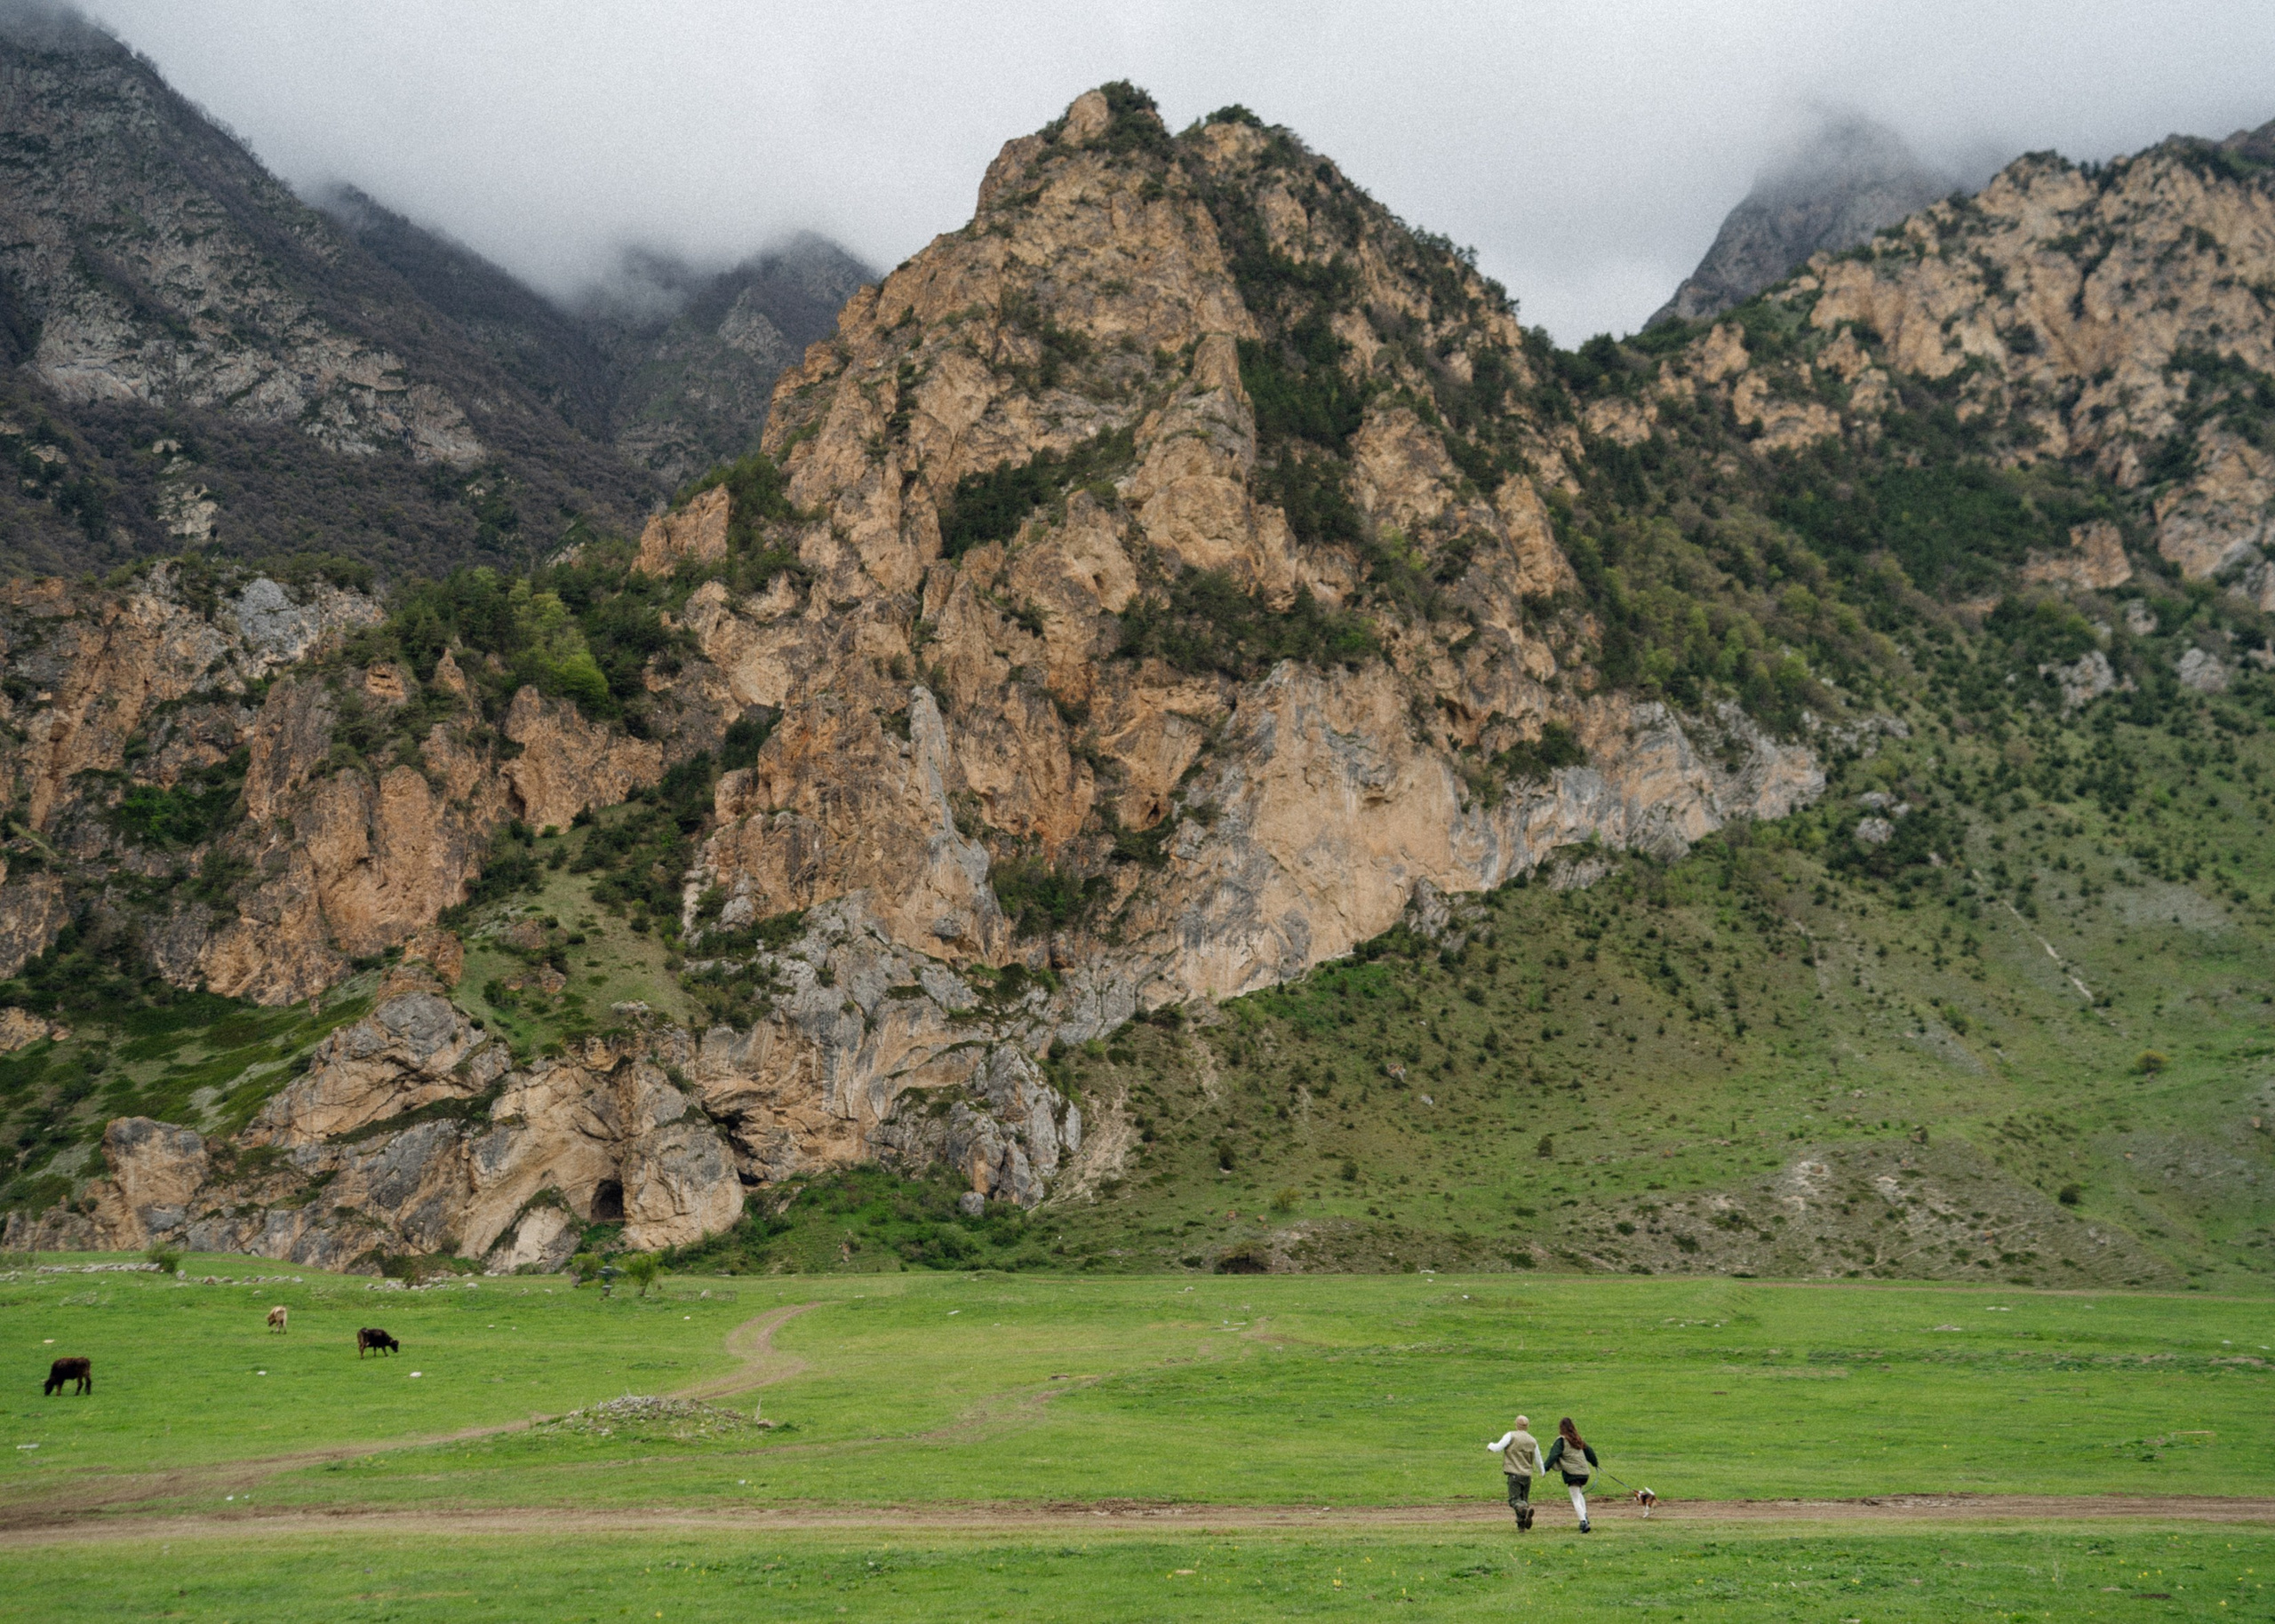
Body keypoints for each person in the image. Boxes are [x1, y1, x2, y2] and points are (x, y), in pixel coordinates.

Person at [1483, 1414, 1545, 1529]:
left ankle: (1525, 1511)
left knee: (1514, 1501)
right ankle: (1521, 1526)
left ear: (1516, 1424)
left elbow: (1498, 1447)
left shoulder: (1511, 1436)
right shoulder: (1532, 1440)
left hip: (1514, 1474)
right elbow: (1538, 1458)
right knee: (1523, 1500)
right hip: (1527, 1475)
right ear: (1527, 1426)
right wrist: (1542, 1471)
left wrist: (1490, 1446)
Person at [1542, 1415, 1600, 1532]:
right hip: (1584, 1473)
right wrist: (1595, 1463)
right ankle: (1585, 1517)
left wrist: (1545, 1468)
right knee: (1579, 1495)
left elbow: (1554, 1455)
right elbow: (1590, 1453)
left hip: (1573, 1474)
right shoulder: (1578, 1439)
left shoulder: (1561, 1440)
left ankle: (1583, 1522)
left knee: (1575, 1499)